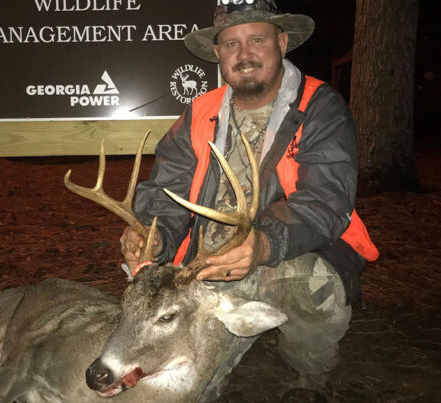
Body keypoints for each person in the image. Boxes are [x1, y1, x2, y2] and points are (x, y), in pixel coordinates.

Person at [119, 0, 379, 401]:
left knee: (307, 283)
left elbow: (325, 201)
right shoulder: (200, 111)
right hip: (208, 260)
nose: (244, 55)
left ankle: (309, 375)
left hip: (289, 252)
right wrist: (155, 236)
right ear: (218, 54)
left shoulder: (320, 107)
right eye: (231, 44)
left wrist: (263, 243)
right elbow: (166, 190)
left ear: (282, 42)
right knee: (193, 385)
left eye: (256, 39)